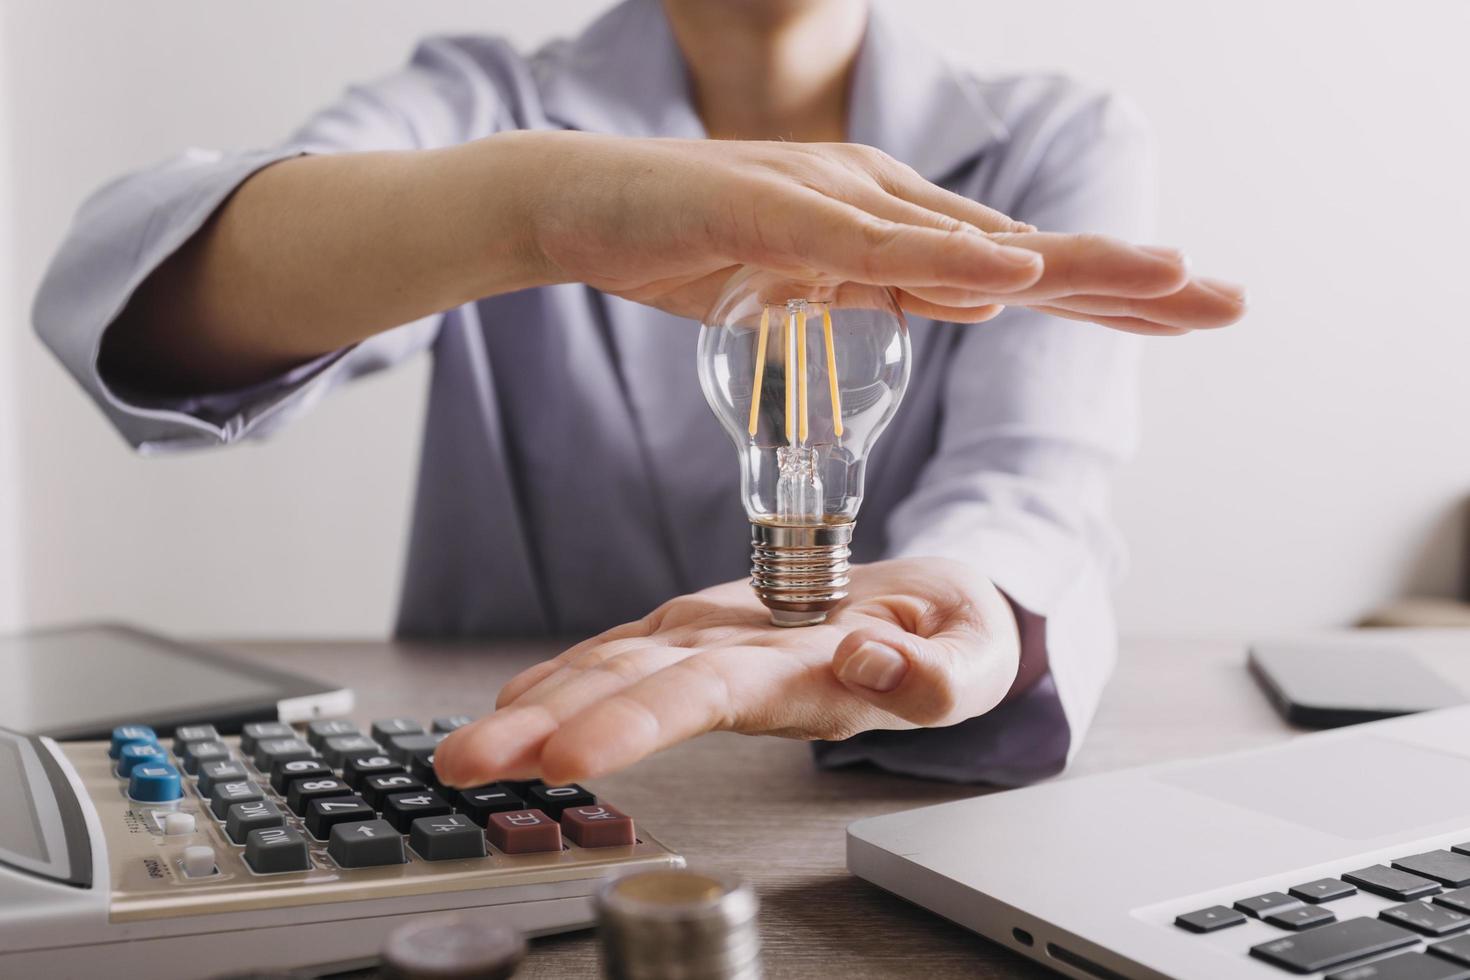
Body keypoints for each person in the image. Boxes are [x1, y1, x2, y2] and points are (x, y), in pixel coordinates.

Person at [33, 0, 1244, 790]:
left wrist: (966, 592)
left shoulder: (1052, 136)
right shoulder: (491, 106)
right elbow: (122, 293)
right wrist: (525, 209)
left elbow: (1031, 478)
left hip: (864, 806)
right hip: (510, 776)